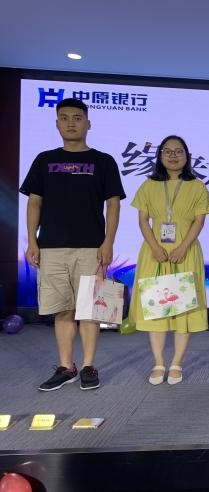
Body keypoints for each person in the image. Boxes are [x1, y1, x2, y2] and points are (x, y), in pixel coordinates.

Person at [19, 97, 126, 391]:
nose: (71, 123)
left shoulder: (103, 161)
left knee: (91, 311)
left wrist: (108, 242)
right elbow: (34, 202)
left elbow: (113, 205)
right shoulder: (44, 160)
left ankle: (89, 366)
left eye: (77, 118)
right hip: (51, 247)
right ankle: (67, 367)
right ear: (57, 124)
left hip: (91, 247)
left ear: (88, 123)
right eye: (64, 118)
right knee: (62, 311)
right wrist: (32, 241)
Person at [128, 135, 209, 385]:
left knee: (183, 307)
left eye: (179, 151)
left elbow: (199, 221)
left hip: (186, 252)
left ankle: (176, 363)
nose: (173, 156)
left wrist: (183, 247)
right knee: (156, 307)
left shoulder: (197, 186)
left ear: (187, 156)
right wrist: (154, 247)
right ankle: (158, 363)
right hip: (155, 254)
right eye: (168, 151)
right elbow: (143, 220)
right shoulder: (149, 185)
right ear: (160, 156)